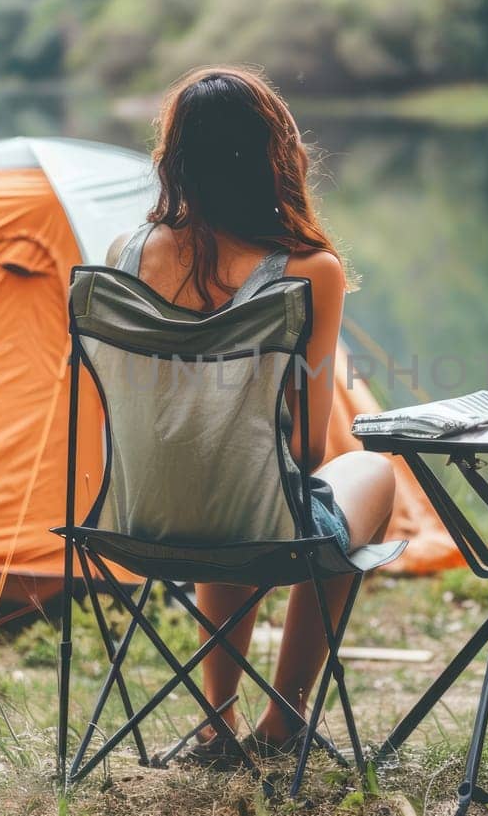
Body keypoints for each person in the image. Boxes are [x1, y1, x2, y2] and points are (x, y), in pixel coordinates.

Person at [105, 66, 396, 765]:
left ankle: (215, 719)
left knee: (222, 478)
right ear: (275, 155)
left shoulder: (123, 254)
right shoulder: (309, 269)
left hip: (137, 518)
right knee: (371, 471)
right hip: (263, 527)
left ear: (175, 159)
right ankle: (283, 717)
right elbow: (311, 444)